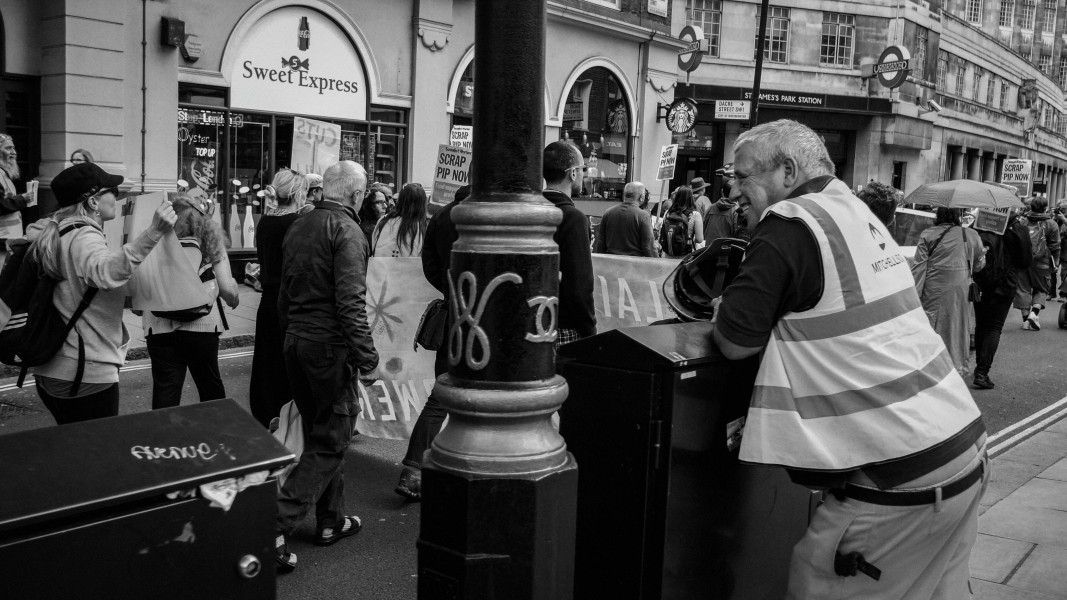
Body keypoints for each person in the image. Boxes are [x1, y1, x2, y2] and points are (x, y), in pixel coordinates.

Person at [711, 120, 987, 599]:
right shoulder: (852, 209)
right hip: (963, 450)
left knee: (816, 585)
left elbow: (736, 340)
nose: (735, 191)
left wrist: (722, 310)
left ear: (787, 171)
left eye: (742, 177)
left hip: (897, 481)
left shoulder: (790, 223)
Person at [274, 160, 380, 572]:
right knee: (332, 439)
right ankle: (274, 523)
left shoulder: (300, 223)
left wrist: (293, 336)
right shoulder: (348, 230)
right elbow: (350, 301)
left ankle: (330, 521)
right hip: (327, 347)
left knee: (321, 431)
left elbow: (285, 291)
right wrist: (366, 358)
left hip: (297, 342)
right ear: (356, 195)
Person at [30, 163, 176, 424]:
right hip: (85, 371)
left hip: (53, 367)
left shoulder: (58, 232)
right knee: (98, 458)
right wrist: (154, 232)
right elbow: (105, 273)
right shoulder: (84, 235)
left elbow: (80, 289)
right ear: (93, 201)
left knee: (76, 451)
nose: (117, 197)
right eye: (113, 191)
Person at [395, 184, 471, 501]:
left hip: (455, 311)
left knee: (441, 394)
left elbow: (429, 264)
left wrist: (450, 290)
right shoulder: (486, 212)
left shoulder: (441, 215)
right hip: (485, 320)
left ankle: (414, 470)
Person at [142, 194, 240, 409]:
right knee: (210, 387)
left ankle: (165, 441)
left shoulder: (152, 243)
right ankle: (215, 439)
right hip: (203, 328)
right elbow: (226, 289)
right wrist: (234, 298)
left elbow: (140, 296)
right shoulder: (211, 243)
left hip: (159, 328)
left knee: (165, 390)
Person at [248, 168, 308, 427]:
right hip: (290, 303)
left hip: (268, 301)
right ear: (297, 192)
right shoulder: (295, 223)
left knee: (266, 359)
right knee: (288, 364)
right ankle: (287, 416)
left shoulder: (266, 221)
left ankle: (266, 411)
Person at [911, 208, 986, 375]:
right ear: (957, 216)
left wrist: (913, 297)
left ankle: (931, 365)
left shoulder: (928, 234)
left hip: (933, 288)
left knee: (933, 324)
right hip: (961, 288)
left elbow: (919, 268)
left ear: (938, 216)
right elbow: (979, 265)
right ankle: (957, 365)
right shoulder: (971, 234)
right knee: (958, 324)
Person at [542, 140, 597, 346]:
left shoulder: (530, 211)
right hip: (564, 328)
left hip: (533, 323)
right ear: (572, 173)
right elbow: (579, 285)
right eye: (582, 169)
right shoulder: (573, 218)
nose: (584, 174)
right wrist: (589, 329)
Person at [972, 211, 1031, 389]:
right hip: (1005, 284)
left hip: (981, 281)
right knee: (994, 327)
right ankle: (982, 372)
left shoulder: (979, 224)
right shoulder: (1018, 230)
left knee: (981, 325)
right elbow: (1025, 262)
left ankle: (979, 368)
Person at [1016, 196, 1061, 329]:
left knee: (1022, 289)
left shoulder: (1022, 222)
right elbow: (1055, 246)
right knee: (1041, 288)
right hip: (1043, 261)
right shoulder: (1051, 224)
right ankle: (1033, 313)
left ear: (1031, 207)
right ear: (1045, 208)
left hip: (1023, 260)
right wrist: (1056, 262)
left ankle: (1025, 320)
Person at [593, 181, 656, 257]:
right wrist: (658, 264)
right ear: (642, 197)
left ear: (624, 196)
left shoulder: (608, 213)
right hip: (634, 264)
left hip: (611, 263)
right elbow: (648, 247)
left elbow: (600, 243)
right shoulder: (643, 216)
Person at [371, 182, 427, 257]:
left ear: (400, 200)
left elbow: (374, 244)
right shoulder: (420, 227)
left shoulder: (384, 220)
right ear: (422, 204)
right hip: (409, 268)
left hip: (381, 267)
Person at [1, 133, 32, 270]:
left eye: (14, 148)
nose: (13, 152)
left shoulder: (4, 173)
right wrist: (22, 199)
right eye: (8, 148)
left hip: (8, 240)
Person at [659, 185, 704, 257]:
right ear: (691, 198)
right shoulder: (695, 215)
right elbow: (699, 239)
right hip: (686, 256)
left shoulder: (668, 213)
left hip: (668, 254)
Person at [703, 165, 741, 242]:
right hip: (725, 251)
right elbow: (737, 236)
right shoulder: (736, 211)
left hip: (708, 250)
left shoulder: (711, 207)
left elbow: (703, 228)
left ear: (722, 192)